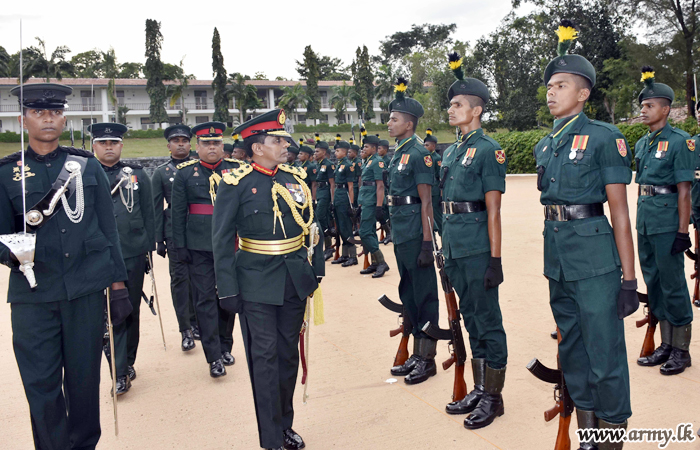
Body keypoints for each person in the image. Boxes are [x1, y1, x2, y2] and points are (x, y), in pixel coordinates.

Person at [0, 83, 129, 450]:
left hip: (84, 292)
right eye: (39, 112)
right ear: (23, 119)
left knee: (84, 382)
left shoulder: (85, 167)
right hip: (32, 296)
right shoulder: (6, 173)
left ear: (65, 118)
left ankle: (85, 444)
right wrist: (14, 253)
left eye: (54, 112)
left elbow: (108, 231)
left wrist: (118, 287)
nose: (47, 118)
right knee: (40, 386)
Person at [534, 20, 637, 448]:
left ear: (583, 93)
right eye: (549, 85)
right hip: (558, 258)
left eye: (561, 85)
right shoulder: (546, 144)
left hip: (595, 261)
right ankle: (590, 431)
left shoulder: (603, 137)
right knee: (572, 348)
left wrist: (629, 280)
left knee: (604, 351)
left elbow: (619, 211)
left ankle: (612, 432)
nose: (551, 92)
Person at [212, 109, 325, 450]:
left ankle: (286, 424)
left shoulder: (295, 178)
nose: (284, 145)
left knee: (288, 355)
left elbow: (311, 228)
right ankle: (271, 436)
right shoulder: (235, 184)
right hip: (255, 281)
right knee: (265, 357)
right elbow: (220, 240)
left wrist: (315, 270)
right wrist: (227, 289)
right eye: (277, 140)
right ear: (258, 147)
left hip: (293, 279)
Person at [438, 55, 508, 430]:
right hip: (454, 249)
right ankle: (481, 388)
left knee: (488, 321)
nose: (451, 109)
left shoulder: (488, 150)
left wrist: (495, 260)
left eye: (458, 104)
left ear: (476, 110)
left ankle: (494, 397)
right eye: (450, 104)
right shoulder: (450, 151)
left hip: (479, 249)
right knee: (470, 320)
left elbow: (494, 211)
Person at [634, 67, 694, 376]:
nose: (643, 110)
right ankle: (666, 344)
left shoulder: (681, 142)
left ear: (666, 109)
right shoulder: (643, 144)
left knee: (673, 285)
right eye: (642, 106)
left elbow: (685, 191)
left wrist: (683, 232)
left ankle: (681, 350)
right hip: (646, 223)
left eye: (649, 106)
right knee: (654, 284)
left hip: (669, 225)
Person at [90, 122, 155, 394]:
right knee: (103, 314)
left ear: (121, 145)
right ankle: (116, 369)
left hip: (131, 251)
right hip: (95, 254)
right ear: (94, 146)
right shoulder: (82, 175)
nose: (108, 147)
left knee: (129, 311)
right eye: (103, 143)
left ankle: (127, 362)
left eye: (113, 143)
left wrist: (148, 250)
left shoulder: (137, 175)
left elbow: (149, 213)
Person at [171, 121, 239, 377]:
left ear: (223, 146)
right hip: (198, 246)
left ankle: (225, 346)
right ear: (197, 147)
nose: (212, 147)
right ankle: (213, 356)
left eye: (217, 143)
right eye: (206, 144)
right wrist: (180, 247)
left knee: (228, 296)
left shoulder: (236, 171)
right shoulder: (185, 174)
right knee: (205, 299)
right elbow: (178, 214)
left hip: (230, 245)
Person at [385, 77, 440, 385]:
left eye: (394, 119)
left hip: (416, 234)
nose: (389, 123)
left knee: (424, 296)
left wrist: (427, 243)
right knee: (408, 292)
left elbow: (427, 202)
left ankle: (426, 357)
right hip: (402, 231)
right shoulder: (400, 152)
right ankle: (416, 352)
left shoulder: (420, 154)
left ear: (409, 124)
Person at [152, 124, 199, 351]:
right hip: (174, 232)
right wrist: (158, 239)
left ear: (190, 144)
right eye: (176, 141)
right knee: (180, 281)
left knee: (202, 280)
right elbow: (155, 207)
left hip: (200, 230)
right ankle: (185, 329)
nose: (180, 144)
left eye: (184, 140)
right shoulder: (161, 172)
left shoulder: (201, 168)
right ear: (168, 145)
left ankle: (199, 322)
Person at [358, 134, 390, 277]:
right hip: (366, 200)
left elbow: (380, 185)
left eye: (366, 147)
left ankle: (382, 262)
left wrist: (378, 206)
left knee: (364, 232)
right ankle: (375, 262)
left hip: (372, 201)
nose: (363, 149)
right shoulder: (368, 161)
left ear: (373, 148)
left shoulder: (378, 162)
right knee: (370, 232)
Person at [331, 139, 357, 266]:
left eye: (337, 150)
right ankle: (345, 254)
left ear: (345, 152)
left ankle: (353, 256)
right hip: (338, 197)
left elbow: (350, 187)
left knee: (346, 227)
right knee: (340, 228)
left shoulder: (348, 165)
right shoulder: (339, 164)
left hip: (344, 198)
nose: (335, 153)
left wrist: (351, 205)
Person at [313, 135, 336, 260]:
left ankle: (329, 246)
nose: (315, 153)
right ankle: (328, 246)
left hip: (326, 193)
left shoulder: (328, 164)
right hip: (320, 193)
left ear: (324, 152)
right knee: (322, 219)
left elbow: (332, 183)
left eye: (317, 151)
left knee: (320, 217)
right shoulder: (318, 164)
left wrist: (332, 200)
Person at [423, 129, 443, 237]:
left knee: (437, 216)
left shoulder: (436, 158)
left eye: (427, 145)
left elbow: (440, 176)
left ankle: (443, 238)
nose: (425, 147)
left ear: (433, 146)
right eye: (424, 145)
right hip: (427, 190)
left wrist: (441, 193)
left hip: (435, 191)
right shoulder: (425, 157)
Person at [378, 138, 392, 244]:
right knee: (383, 213)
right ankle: (388, 233)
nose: (378, 150)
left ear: (386, 149)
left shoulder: (387, 161)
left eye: (380, 148)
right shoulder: (379, 160)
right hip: (382, 189)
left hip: (386, 189)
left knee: (386, 212)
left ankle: (390, 233)